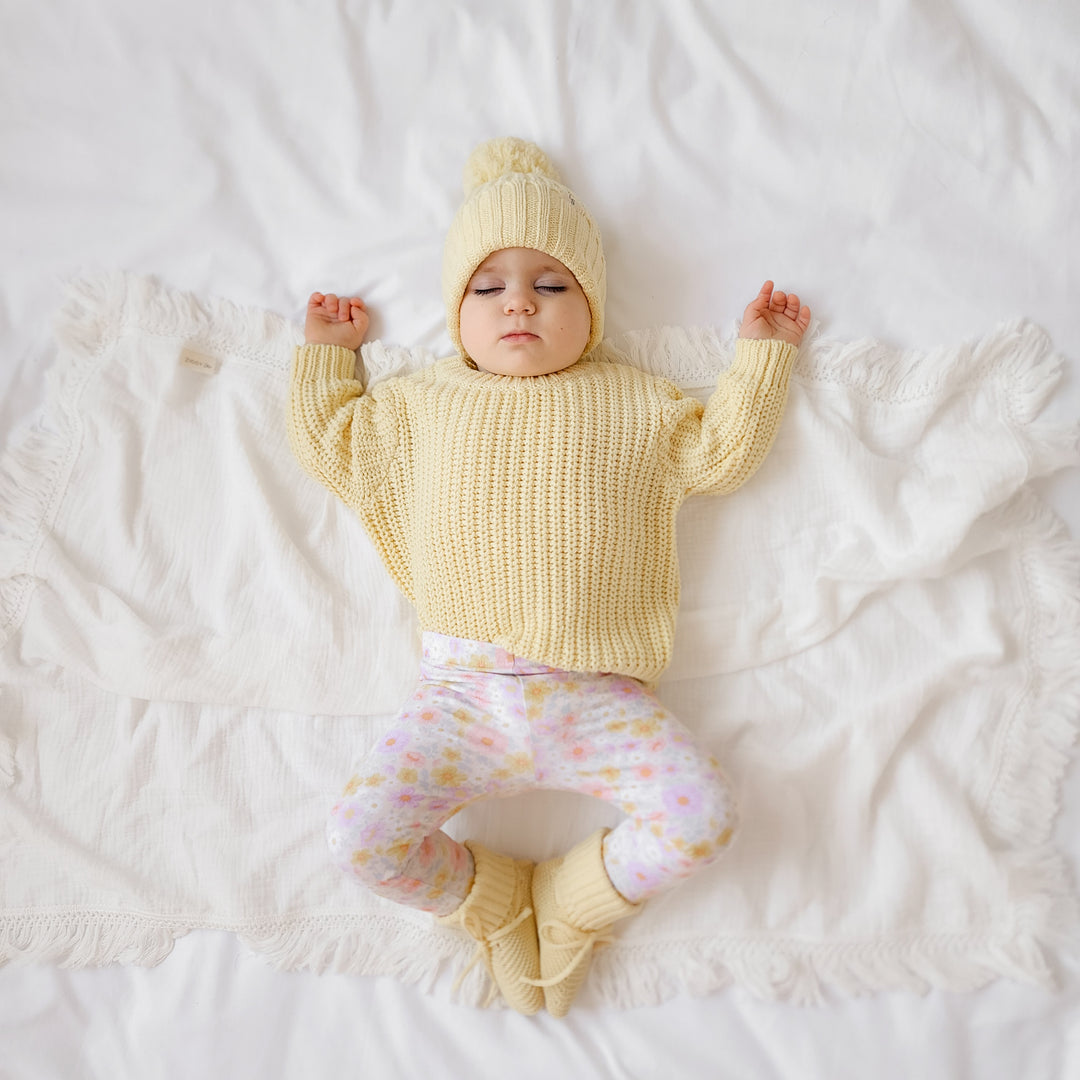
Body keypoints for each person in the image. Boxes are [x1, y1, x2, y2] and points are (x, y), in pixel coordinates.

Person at [287, 137, 810, 1017]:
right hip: (461, 695)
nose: (519, 303)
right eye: (487, 288)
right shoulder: (421, 402)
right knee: (359, 838)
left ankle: (571, 902)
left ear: (593, 310)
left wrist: (760, 356)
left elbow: (719, 455)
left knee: (704, 817)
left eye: (552, 285)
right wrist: (326, 356)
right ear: (456, 315)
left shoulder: (633, 400)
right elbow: (333, 445)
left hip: (599, 694)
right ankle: (488, 902)